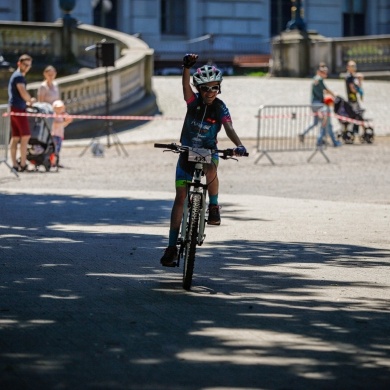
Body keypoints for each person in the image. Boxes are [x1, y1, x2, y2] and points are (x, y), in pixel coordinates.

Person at [160, 53, 247, 267]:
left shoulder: (220, 107)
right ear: (199, 89)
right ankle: (171, 246)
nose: (210, 92)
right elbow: (184, 88)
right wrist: (186, 68)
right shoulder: (193, 102)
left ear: (219, 88)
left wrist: (239, 145)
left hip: (208, 150)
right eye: (206, 88)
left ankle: (214, 206)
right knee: (180, 197)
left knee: (211, 167)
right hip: (187, 150)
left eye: (214, 88)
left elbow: (228, 128)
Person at [8, 54, 36, 172]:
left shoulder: (16, 75)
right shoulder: (19, 77)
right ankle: (23, 164)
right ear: (19, 63)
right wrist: (30, 100)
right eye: (25, 64)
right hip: (18, 109)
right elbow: (23, 92)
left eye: (29, 65)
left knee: (15, 137)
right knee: (25, 136)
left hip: (13, 108)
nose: (27, 67)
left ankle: (14, 164)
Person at [299, 63, 335, 142]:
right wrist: (334, 95)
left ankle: (303, 133)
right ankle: (321, 139)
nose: (326, 74)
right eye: (324, 72)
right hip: (319, 104)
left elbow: (321, 90)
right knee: (325, 122)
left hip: (313, 103)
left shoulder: (315, 78)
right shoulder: (320, 79)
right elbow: (326, 89)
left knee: (315, 123)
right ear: (320, 72)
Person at [51, 99, 72, 167]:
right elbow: (56, 124)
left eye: (61, 108)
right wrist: (65, 122)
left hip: (60, 135)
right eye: (58, 108)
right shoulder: (54, 116)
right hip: (54, 135)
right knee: (54, 149)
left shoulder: (61, 116)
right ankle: (53, 162)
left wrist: (67, 122)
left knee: (58, 149)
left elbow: (62, 125)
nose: (60, 110)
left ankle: (55, 162)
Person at [345, 60, 362, 134]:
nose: (354, 67)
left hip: (355, 98)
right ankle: (352, 130)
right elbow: (353, 89)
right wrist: (358, 90)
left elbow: (358, 87)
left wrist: (360, 81)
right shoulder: (349, 77)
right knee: (355, 114)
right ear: (348, 67)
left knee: (358, 114)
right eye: (352, 66)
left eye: (354, 66)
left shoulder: (353, 77)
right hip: (352, 99)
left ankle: (355, 130)